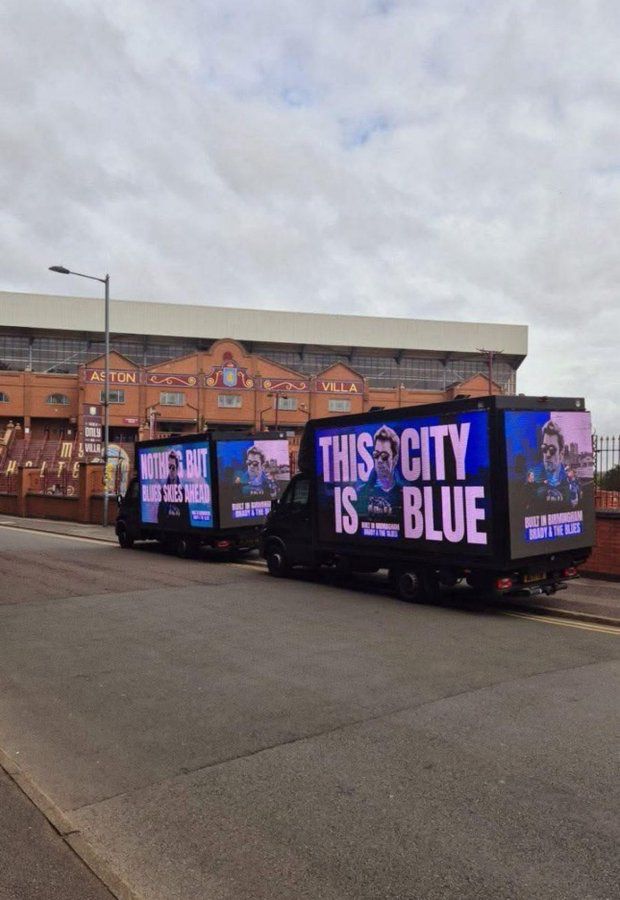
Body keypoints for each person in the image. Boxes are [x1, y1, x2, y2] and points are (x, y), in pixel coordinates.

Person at [356, 424, 403, 521]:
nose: (380, 460)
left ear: (395, 459)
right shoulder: (362, 493)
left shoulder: (405, 494)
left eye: (384, 455)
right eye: (376, 455)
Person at [525, 419, 571, 510]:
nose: (547, 454)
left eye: (552, 449)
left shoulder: (568, 478)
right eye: (544, 448)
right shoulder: (533, 476)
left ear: (561, 454)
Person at [157, 450, 189, 527]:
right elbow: (160, 515)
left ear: (177, 469)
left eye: (173, 467)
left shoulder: (183, 492)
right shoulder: (163, 491)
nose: (170, 470)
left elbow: (186, 519)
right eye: (168, 467)